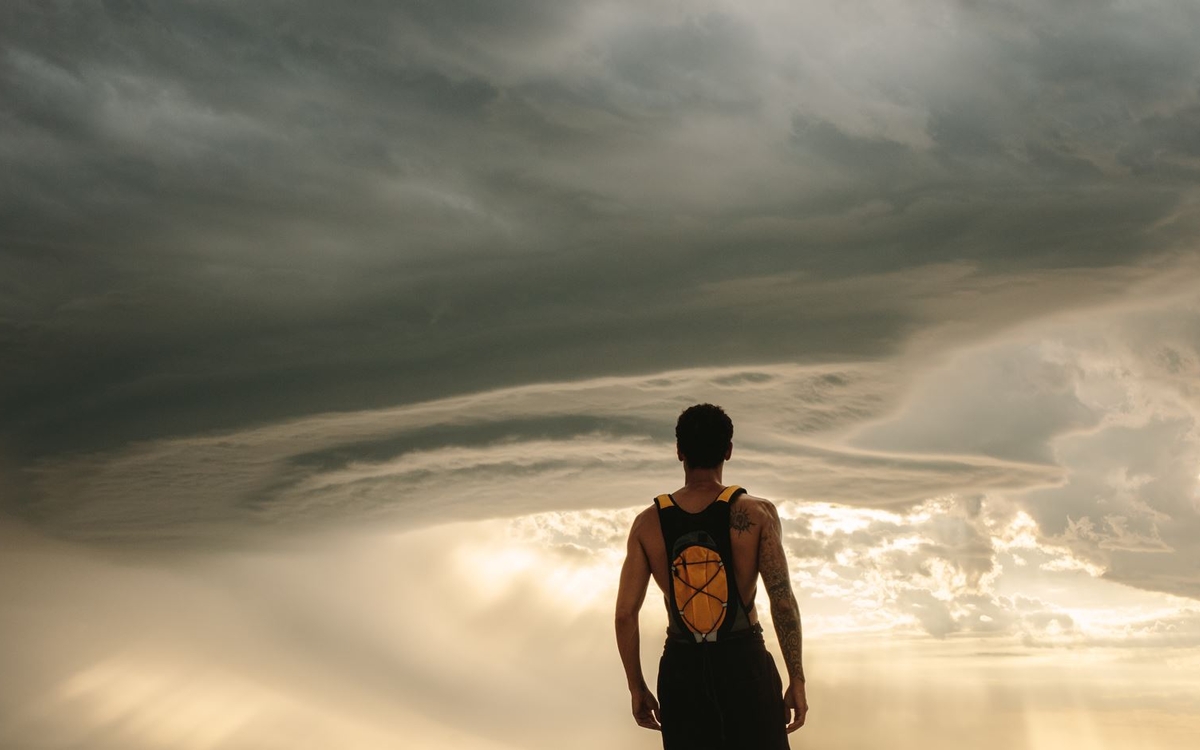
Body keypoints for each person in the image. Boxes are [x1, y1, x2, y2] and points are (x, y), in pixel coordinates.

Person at [614, 403, 808, 749]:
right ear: (728, 450)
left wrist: (637, 686)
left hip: (682, 669)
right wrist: (797, 678)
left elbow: (625, 614)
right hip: (744, 662)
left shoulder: (648, 523)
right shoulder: (756, 513)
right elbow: (781, 599)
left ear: (679, 452)